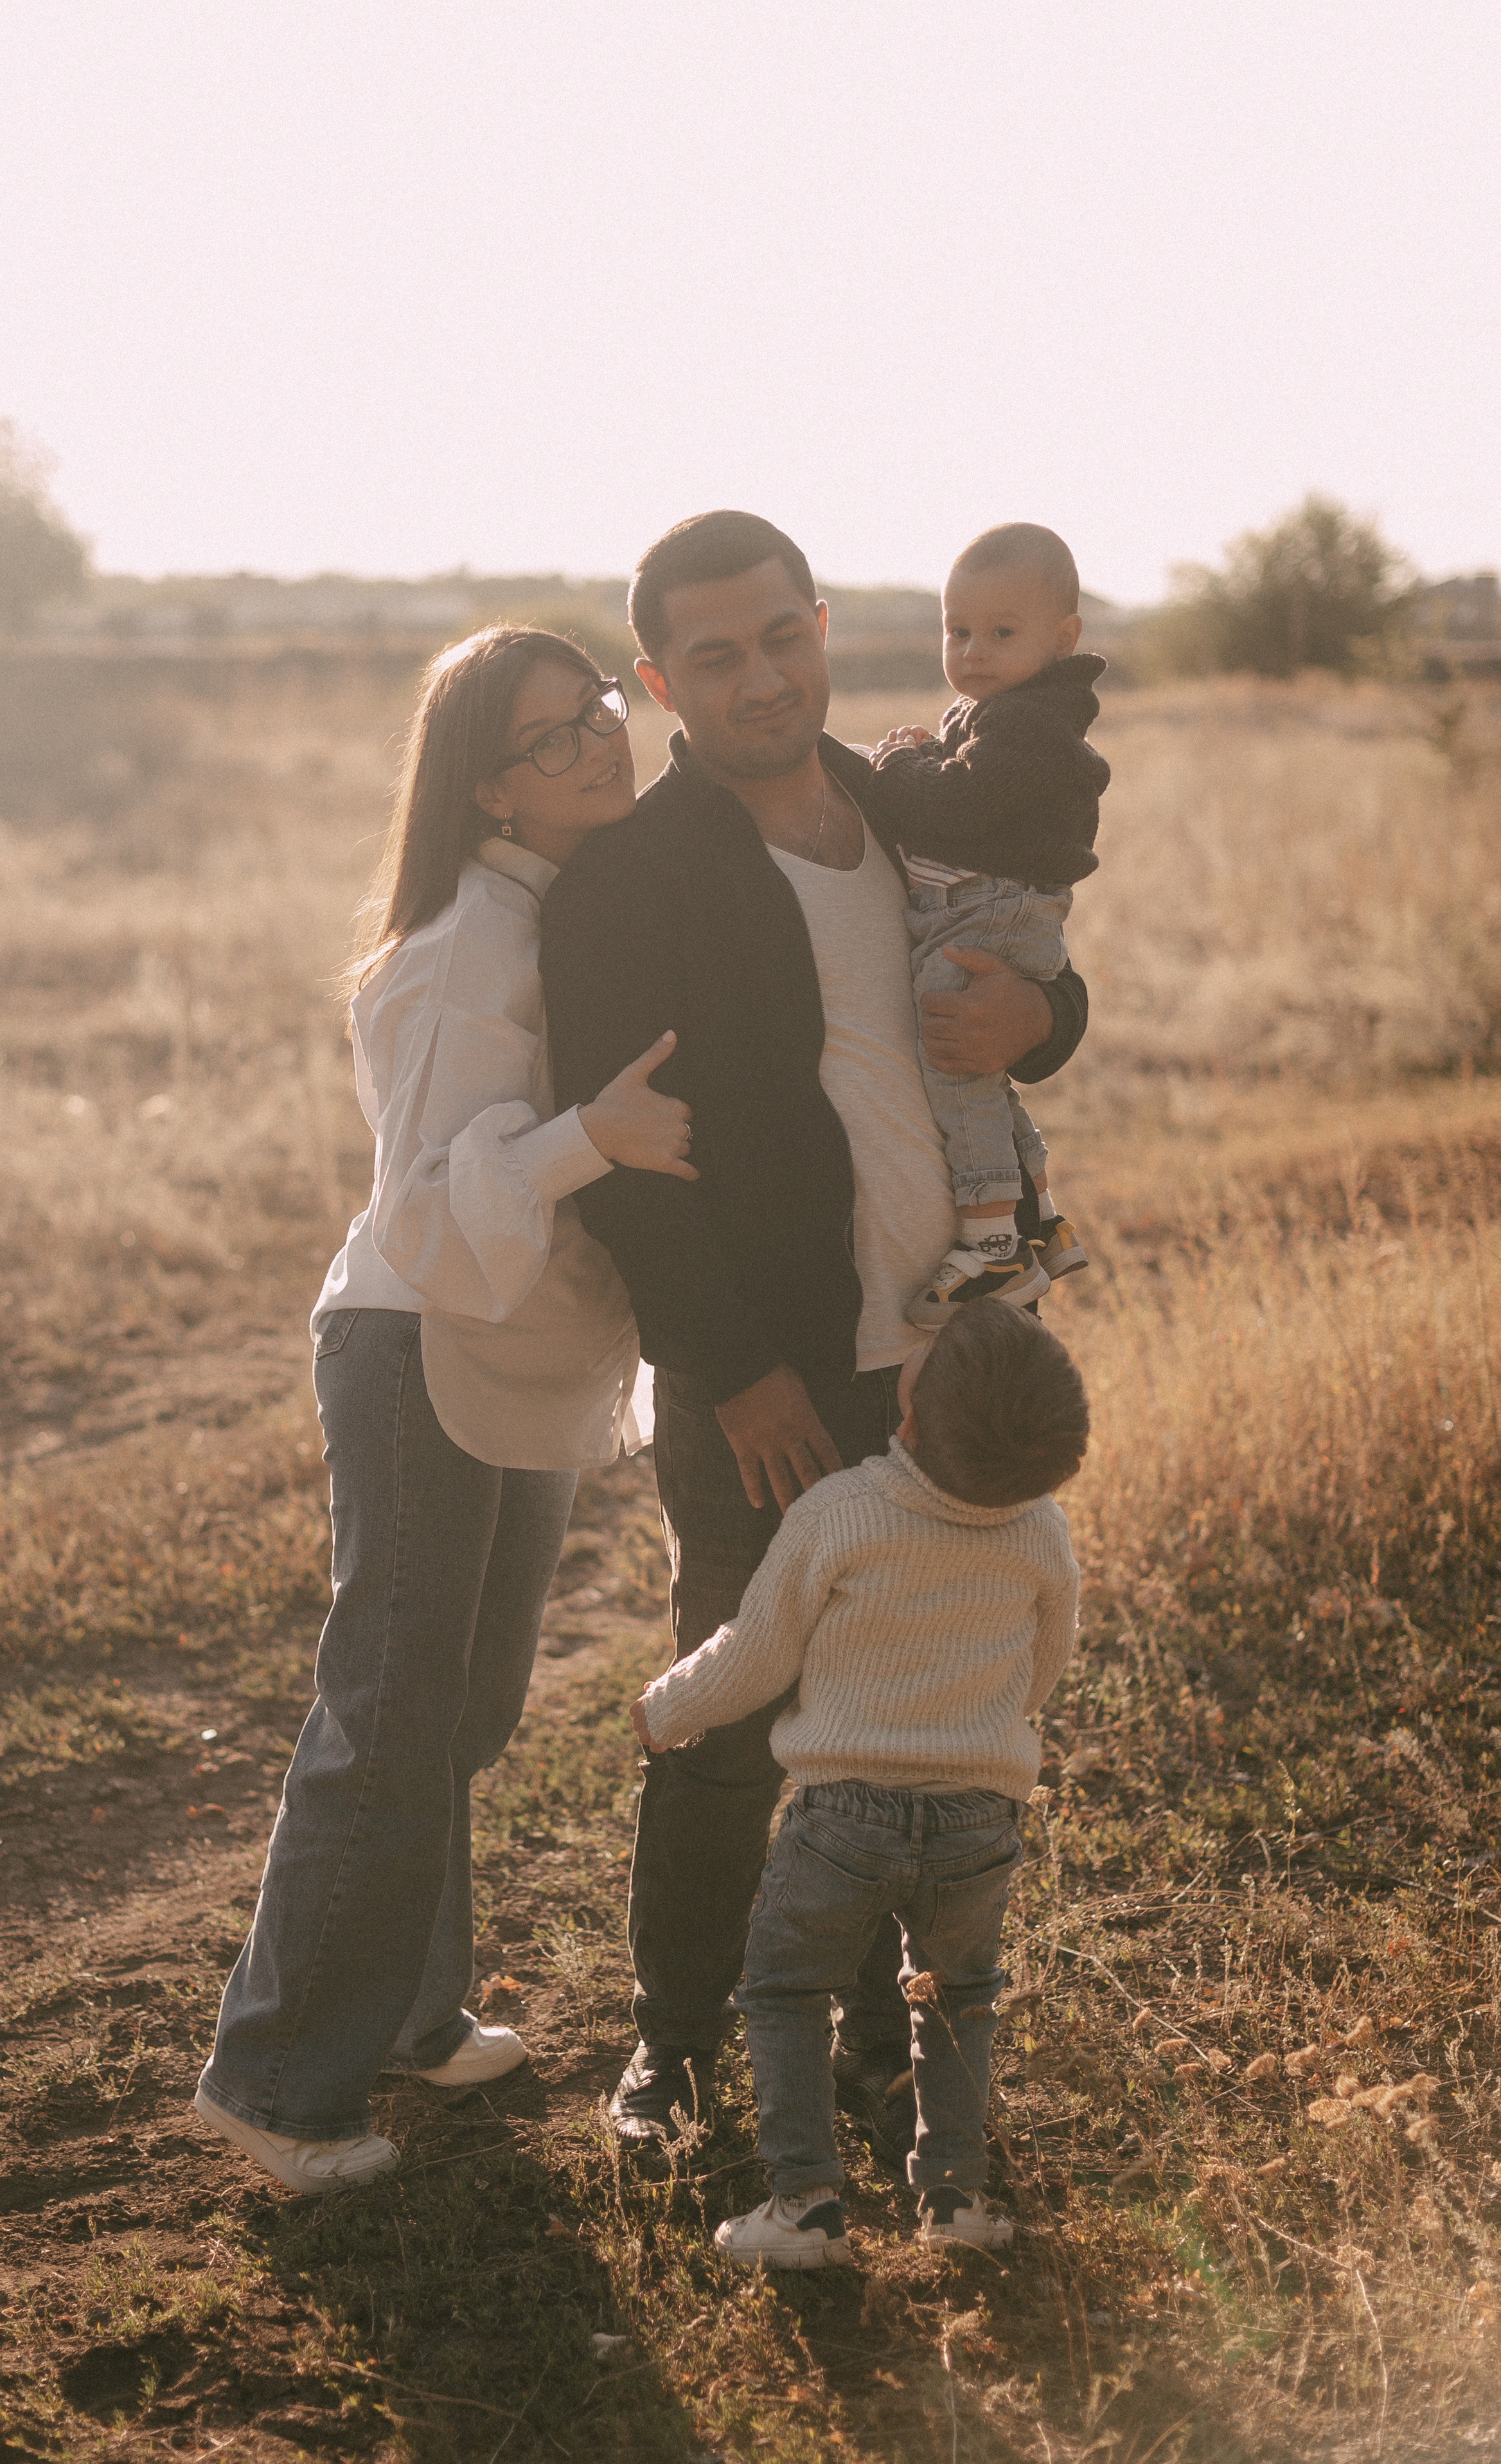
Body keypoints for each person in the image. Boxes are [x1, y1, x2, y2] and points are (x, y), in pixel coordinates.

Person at [539, 512, 1088, 2164]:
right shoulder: (626, 880)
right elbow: (632, 1170)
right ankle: (678, 2043)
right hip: (762, 1374)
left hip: (950, 1349)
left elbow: (1024, 973)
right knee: (728, 1710)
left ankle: (871, 2040)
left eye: (781, 634)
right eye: (712, 655)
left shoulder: (920, 797)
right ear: (658, 682)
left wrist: (1045, 1020)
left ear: (823, 624)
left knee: (911, 1715)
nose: (759, 674)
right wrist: (737, 1369)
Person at [194, 627, 696, 2192]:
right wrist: (587, 1137)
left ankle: (407, 2011)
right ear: (483, 783)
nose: (597, 743)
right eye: (550, 736)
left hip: (504, 1339)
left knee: (463, 1711)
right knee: (392, 1713)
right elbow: (418, 1206)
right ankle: (277, 2081)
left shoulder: (557, 902)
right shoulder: (468, 939)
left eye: (598, 710)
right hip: (417, 1347)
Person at [630, 1301, 1087, 2268]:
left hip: (844, 1818)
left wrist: (668, 1708)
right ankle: (955, 2196)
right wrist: (978, 1724)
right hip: (978, 1822)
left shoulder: (838, 1512)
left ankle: (804, 2202)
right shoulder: (1040, 1530)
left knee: (786, 1991)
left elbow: (755, 1654)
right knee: (959, 1997)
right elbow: (1044, 1663)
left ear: (907, 1418)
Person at [868, 522, 1108, 1327]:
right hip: (994, 906)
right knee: (982, 1074)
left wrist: (899, 764)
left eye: (1002, 634)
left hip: (992, 912)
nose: (973, 650)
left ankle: (990, 1244)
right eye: (957, 630)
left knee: (955, 1059)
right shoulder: (995, 711)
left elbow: (955, 804)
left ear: (1062, 638)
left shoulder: (1028, 725)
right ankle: (1035, 1206)